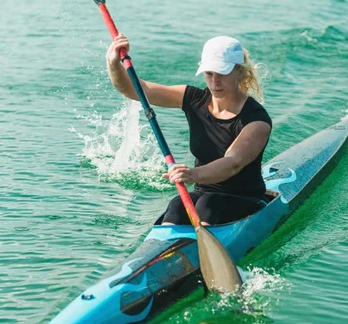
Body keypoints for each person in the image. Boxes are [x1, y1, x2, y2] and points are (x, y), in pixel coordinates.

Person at [106, 35, 272, 225]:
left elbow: (232, 163)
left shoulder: (257, 120)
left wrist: (192, 174)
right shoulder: (193, 98)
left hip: (244, 199)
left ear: (239, 71)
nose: (215, 81)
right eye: (209, 73)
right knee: (177, 207)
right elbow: (135, 90)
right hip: (202, 194)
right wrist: (113, 63)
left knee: (208, 208)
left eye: (222, 73)